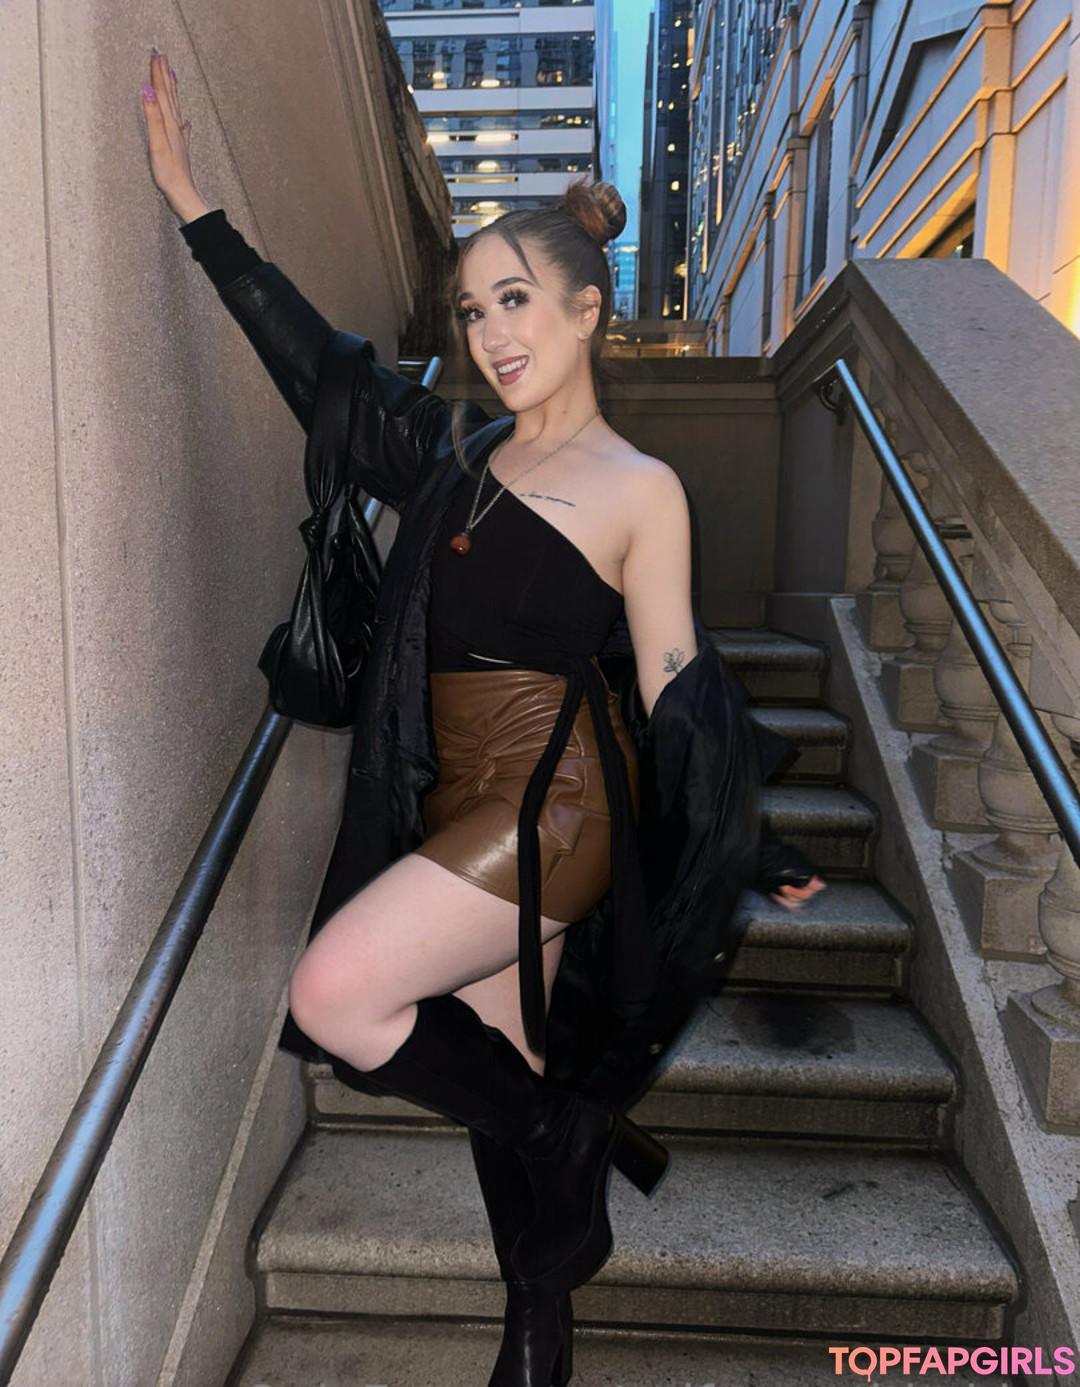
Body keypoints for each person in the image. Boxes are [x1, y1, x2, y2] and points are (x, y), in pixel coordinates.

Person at [141, 50, 825, 1387]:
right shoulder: (455, 458)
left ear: (585, 311)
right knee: (500, 1066)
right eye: (470, 310)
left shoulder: (640, 487)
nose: (492, 333)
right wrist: (193, 209)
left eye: (517, 300)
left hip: (557, 809)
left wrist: (749, 834)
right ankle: (537, 1334)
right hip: (456, 799)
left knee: (338, 992)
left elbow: (678, 681)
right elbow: (320, 374)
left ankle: (572, 1133)